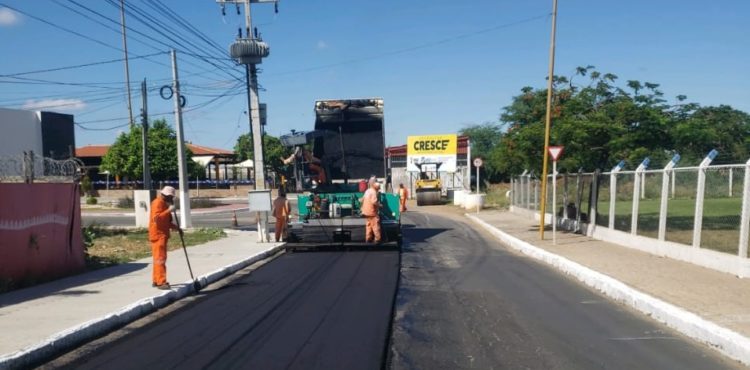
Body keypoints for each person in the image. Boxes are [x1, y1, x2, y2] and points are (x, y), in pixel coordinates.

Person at [149, 186, 181, 290]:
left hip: (161, 235)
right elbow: (156, 219)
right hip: (158, 235)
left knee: (158, 259)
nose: (171, 199)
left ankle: (156, 279)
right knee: (160, 259)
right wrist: (168, 210)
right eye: (170, 197)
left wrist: (177, 228)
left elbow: (166, 222)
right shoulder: (157, 203)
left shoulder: (163, 203)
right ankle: (161, 282)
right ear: (165, 195)